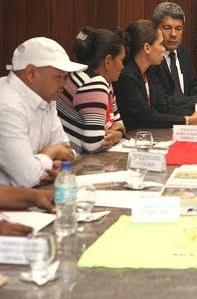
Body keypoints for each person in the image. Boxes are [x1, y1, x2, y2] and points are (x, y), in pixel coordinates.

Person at [0, 37, 85, 188]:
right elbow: (28, 178)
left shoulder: (46, 96)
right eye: (59, 77)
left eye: (65, 78)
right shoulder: (7, 106)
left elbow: (67, 151)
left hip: (29, 196)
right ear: (31, 74)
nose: (64, 84)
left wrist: (47, 159)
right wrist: (50, 152)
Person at [113, 20, 197, 130]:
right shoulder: (126, 76)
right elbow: (147, 117)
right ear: (147, 48)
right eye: (160, 44)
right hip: (133, 137)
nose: (163, 49)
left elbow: (164, 106)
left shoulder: (148, 71)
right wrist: (188, 120)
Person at [57, 27, 127, 154]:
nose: (123, 66)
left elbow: (119, 123)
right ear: (108, 61)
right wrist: (118, 134)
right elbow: (93, 145)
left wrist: (118, 133)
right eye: (121, 60)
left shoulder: (101, 79)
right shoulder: (94, 84)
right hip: (74, 163)